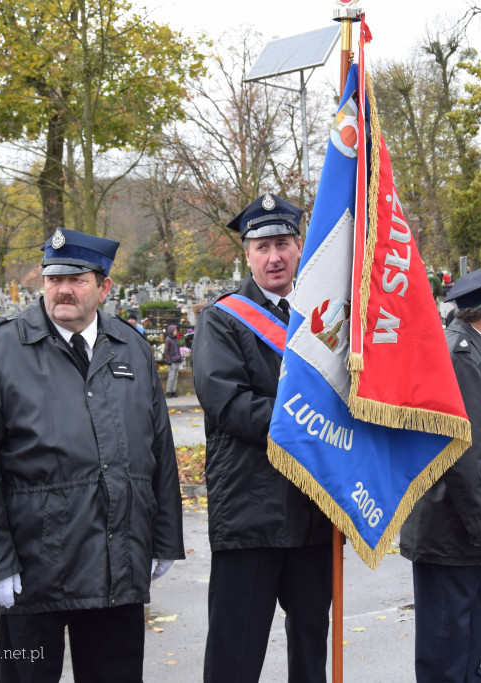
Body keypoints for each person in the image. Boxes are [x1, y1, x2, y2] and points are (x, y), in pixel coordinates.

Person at [0, 227, 184, 682]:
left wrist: (165, 538)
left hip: (119, 568)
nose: (63, 289)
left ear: (104, 287)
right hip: (35, 572)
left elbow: (159, 450)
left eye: (77, 278)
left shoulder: (131, 348)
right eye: (54, 278)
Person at [192, 192, 333, 683]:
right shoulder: (223, 319)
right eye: (262, 247)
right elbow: (227, 405)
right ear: (246, 255)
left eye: (283, 243)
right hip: (251, 513)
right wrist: (312, 421)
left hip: (315, 511)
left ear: (299, 248)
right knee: (237, 653)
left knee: (311, 648)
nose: (274, 257)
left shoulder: (326, 317)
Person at [400, 261, 481, 683]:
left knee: (466, 645)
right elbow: (463, 450)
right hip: (455, 530)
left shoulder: (476, 351)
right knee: (447, 650)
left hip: (470, 530)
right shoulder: (461, 357)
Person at [164, 323, 182, 397]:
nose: (176, 332)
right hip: (172, 361)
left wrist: (180, 357)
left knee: (176, 376)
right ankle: (168, 391)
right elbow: (166, 351)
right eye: (174, 330)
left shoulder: (176, 340)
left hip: (177, 360)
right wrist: (168, 360)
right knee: (171, 376)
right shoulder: (168, 340)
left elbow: (178, 349)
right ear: (171, 331)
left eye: (176, 330)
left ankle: (173, 391)